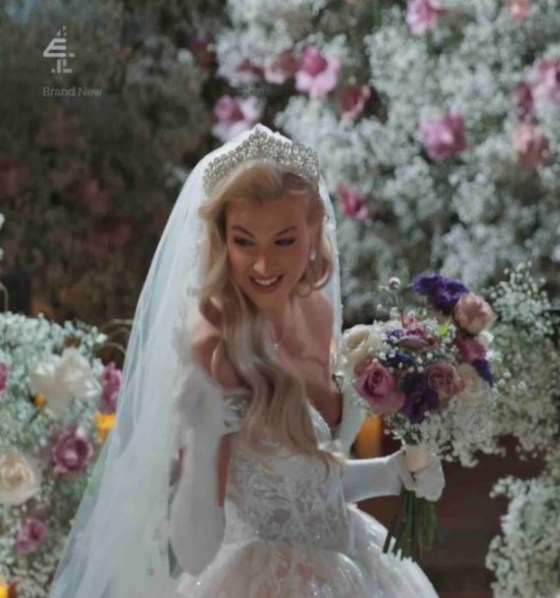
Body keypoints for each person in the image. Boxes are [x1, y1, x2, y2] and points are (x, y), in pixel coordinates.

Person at [51, 125, 443, 597]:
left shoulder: (316, 307)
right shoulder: (217, 352)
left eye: (283, 241)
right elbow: (197, 548)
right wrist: (199, 432)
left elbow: (304, 497)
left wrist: (391, 472)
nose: (262, 265)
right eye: (244, 242)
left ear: (314, 229)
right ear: (220, 240)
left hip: (353, 566)